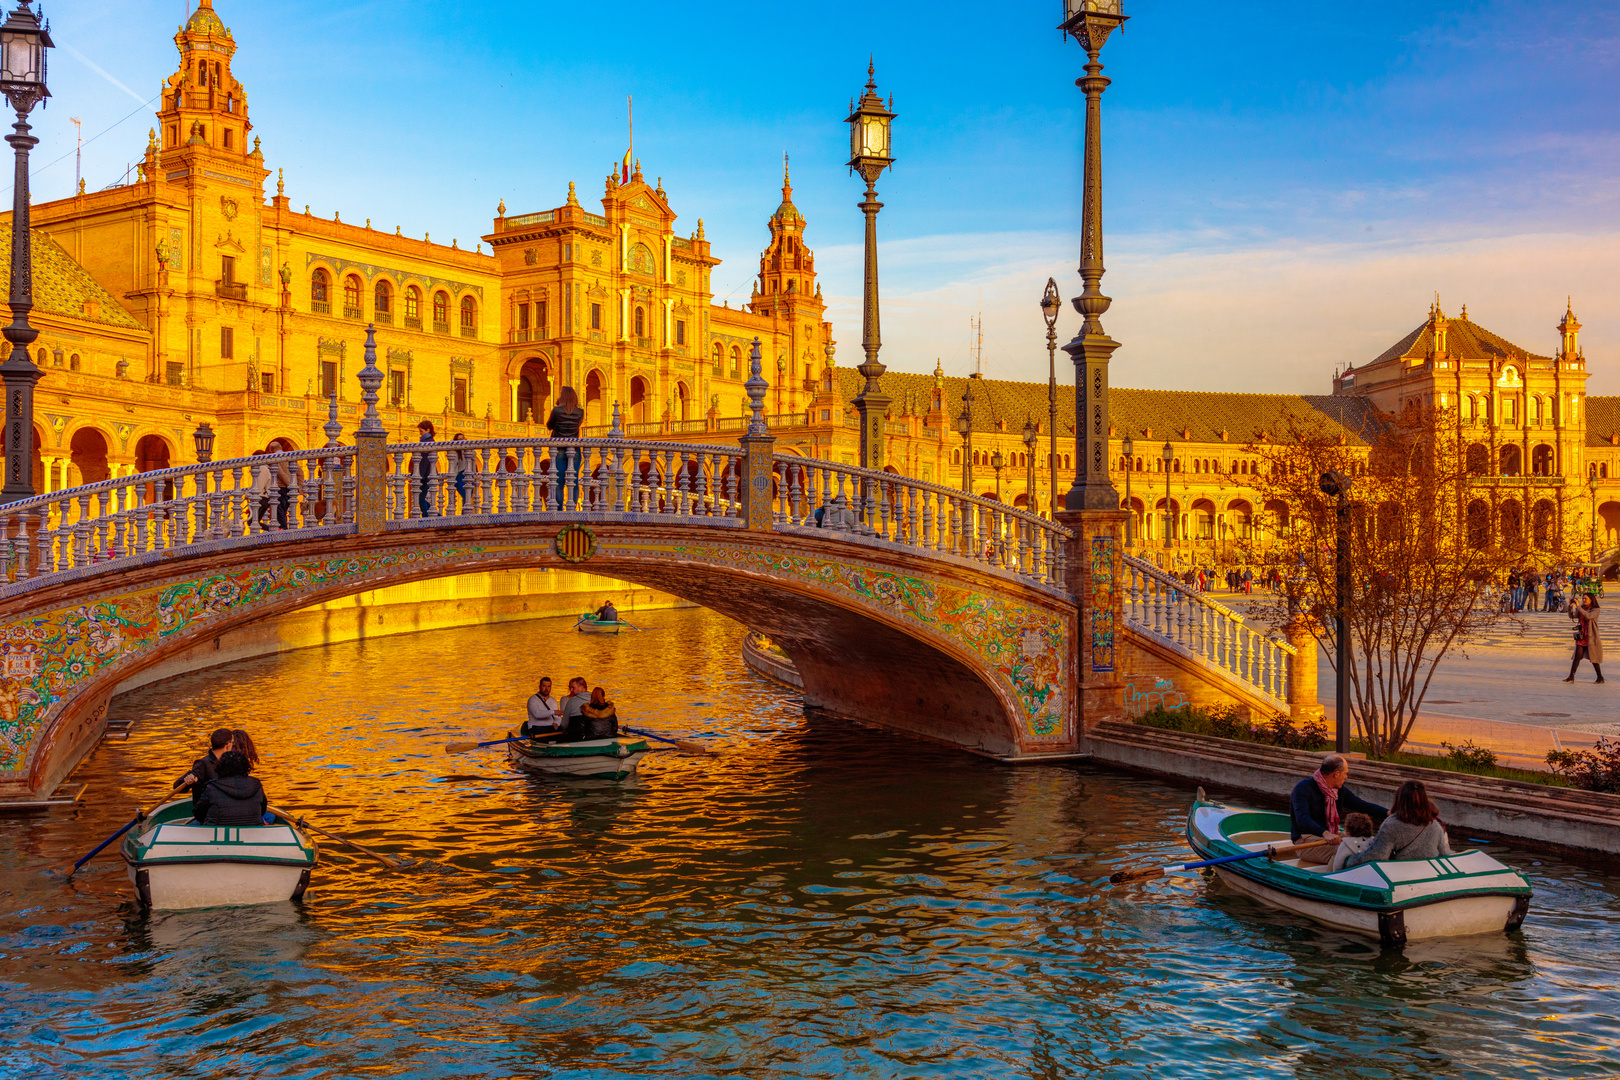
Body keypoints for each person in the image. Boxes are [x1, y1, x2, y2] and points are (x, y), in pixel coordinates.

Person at [1289, 752, 1388, 865]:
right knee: (1344, 849)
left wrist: (1388, 813)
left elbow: (1362, 805)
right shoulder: (1303, 789)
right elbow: (1302, 819)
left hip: (1331, 834)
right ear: (1336, 774)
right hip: (1305, 841)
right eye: (1345, 773)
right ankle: (1331, 877)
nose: (1346, 777)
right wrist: (1325, 833)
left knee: (1367, 843)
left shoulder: (1339, 791)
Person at [1346, 780, 1454, 867]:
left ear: (1399, 799)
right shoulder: (1434, 824)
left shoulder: (1392, 825)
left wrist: (1351, 860)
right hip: (1428, 873)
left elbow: (1378, 855)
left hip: (1400, 873)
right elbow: (1444, 853)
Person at [192, 750, 269, 827]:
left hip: (217, 833)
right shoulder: (256, 784)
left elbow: (199, 815)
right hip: (253, 832)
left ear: (220, 767)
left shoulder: (211, 787)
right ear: (245, 767)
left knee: (194, 823)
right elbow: (262, 810)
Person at [546, 386, 585, 510]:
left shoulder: (557, 411)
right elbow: (577, 426)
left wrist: (557, 407)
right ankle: (572, 508)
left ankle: (559, 509)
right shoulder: (580, 412)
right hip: (574, 448)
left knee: (559, 481)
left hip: (559, 448)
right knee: (574, 480)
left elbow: (549, 425)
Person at [174, 727, 233, 792]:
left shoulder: (227, 762)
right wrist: (186, 779)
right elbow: (177, 787)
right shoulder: (203, 764)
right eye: (233, 743)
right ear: (228, 745)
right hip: (206, 801)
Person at [1566, 592, 1605, 683]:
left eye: (1585, 599)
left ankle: (1600, 677)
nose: (1583, 600)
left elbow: (1589, 616)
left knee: (1594, 659)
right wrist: (1570, 606)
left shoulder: (1596, 610)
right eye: (1583, 598)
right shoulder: (1582, 608)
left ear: (1591, 599)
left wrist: (1578, 607)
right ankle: (1571, 676)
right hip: (1582, 637)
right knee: (1577, 657)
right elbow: (1572, 616)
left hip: (1591, 637)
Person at [409, 420, 437, 517]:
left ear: (428, 430)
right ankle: (435, 515)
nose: (420, 433)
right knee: (420, 497)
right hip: (425, 473)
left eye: (421, 431)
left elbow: (424, 461)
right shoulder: (427, 441)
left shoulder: (427, 442)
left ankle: (426, 517)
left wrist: (419, 475)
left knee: (420, 497)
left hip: (425, 474)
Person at [450, 432, 473, 514]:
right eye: (459, 439)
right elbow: (454, 464)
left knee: (468, 496)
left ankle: (465, 515)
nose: (462, 440)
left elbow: (474, 455)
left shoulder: (468, 450)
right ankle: (464, 516)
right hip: (459, 476)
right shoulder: (456, 452)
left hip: (469, 476)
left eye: (463, 438)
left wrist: (468, 446)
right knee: (466, 495)